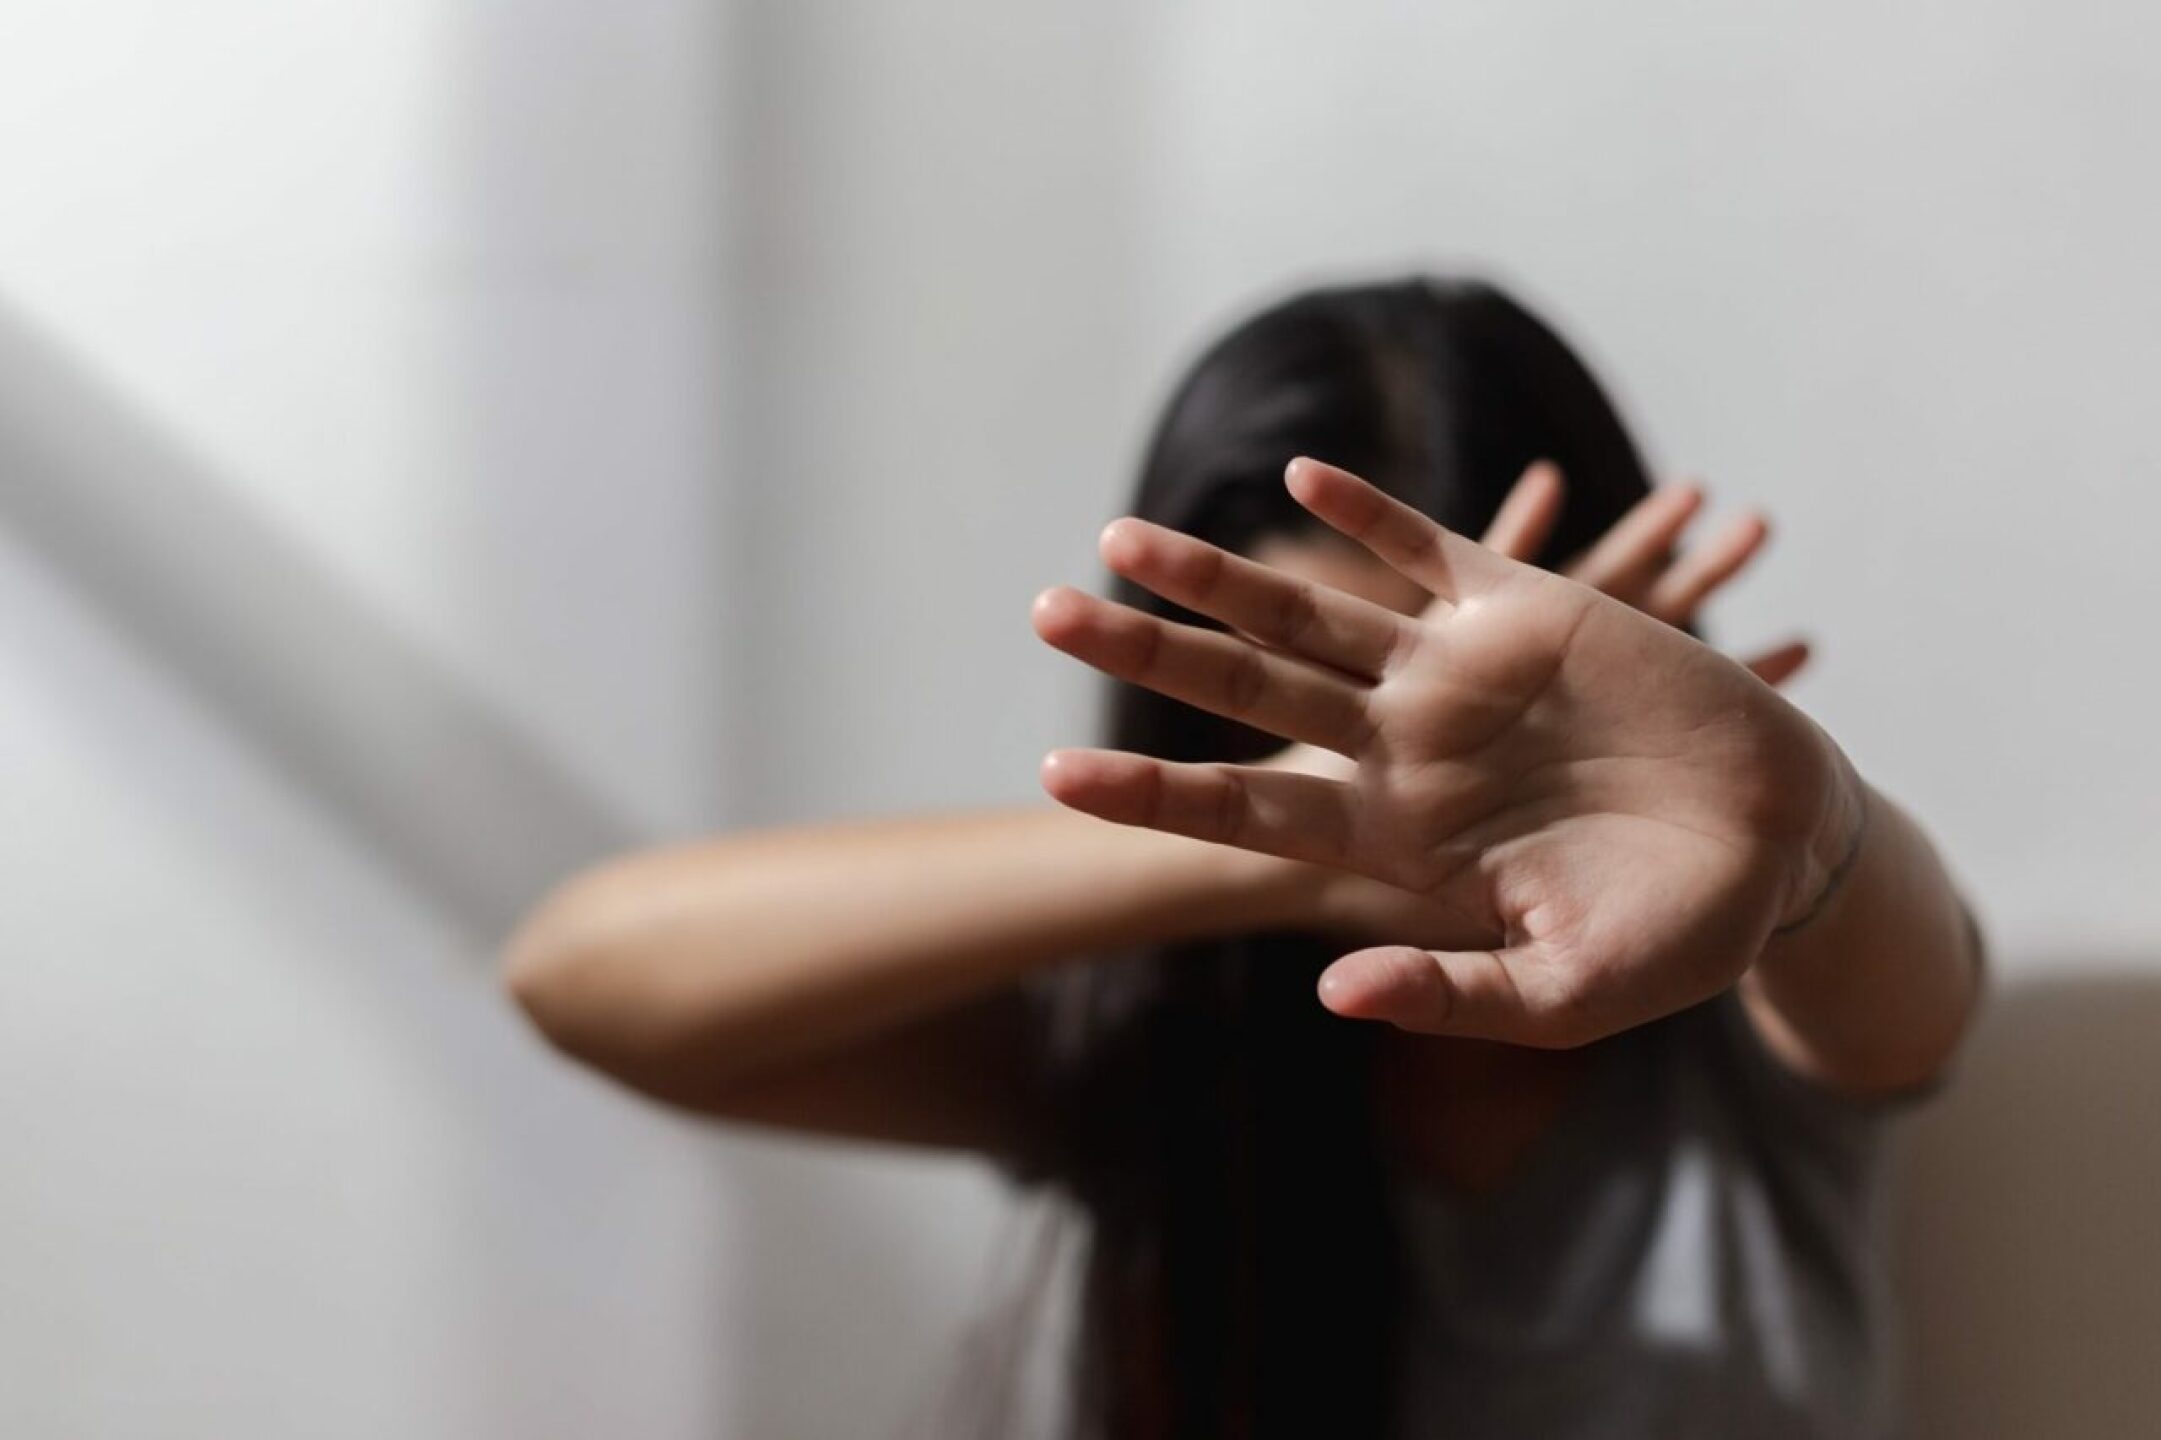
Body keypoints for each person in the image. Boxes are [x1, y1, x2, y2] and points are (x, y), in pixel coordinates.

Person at [501, 276, 1985, 1439]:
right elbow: (582, 976)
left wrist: (1800, 826)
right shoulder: (1156, 1051)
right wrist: (1270, 852)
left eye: (1505, 720)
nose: (1423, 783)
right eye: (1327, 713)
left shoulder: (1738, 1040)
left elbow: (1906, 973)